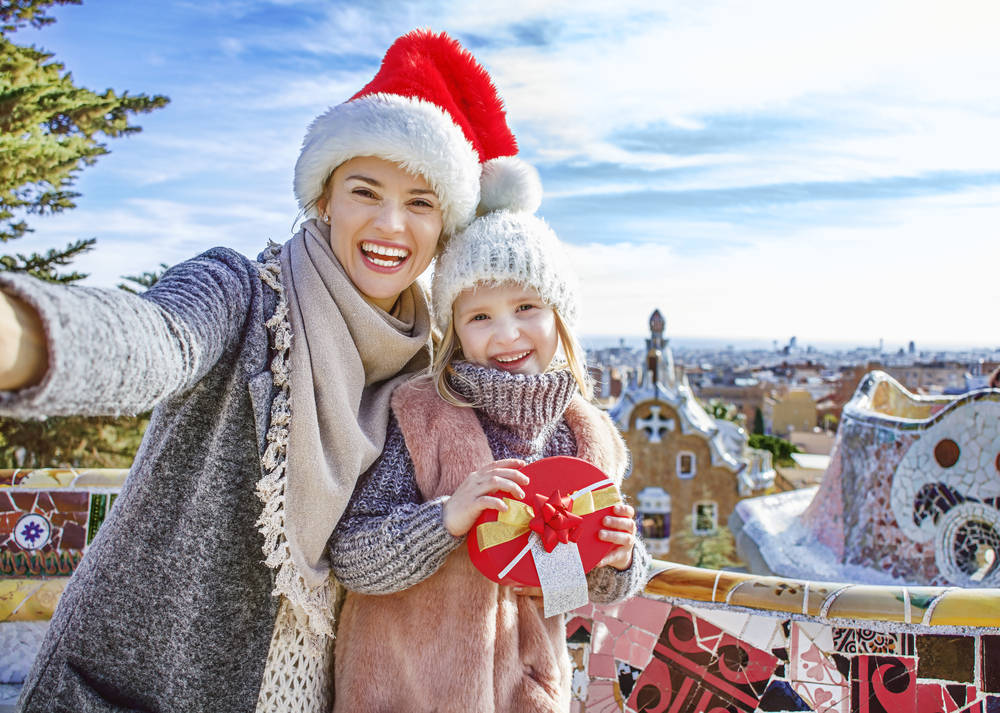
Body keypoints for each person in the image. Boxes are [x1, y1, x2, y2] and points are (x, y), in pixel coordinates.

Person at [0, 30, 541, 713]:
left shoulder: (427, 372)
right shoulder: (244, 295)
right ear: (324, 199)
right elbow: (155, 341)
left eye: (421, 202)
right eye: (365, 191)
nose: (390, 224)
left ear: (444, 228)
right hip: (130, 687)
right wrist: (23, 333)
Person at [329, 208, 652, 712]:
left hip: (528, 694)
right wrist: (445, 520)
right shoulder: (421, 418)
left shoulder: (587, 438)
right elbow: (351, 557)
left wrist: (617, 559)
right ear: (454, 329)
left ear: (559, 315)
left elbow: (572, 590)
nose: (506, 334)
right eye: (480, 315)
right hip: (407, 690)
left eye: (526, 307)